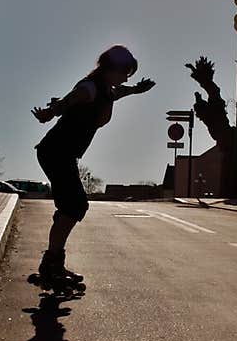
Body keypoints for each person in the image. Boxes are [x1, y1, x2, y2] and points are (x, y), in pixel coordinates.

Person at [31, 45, 155, 285]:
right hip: (55, 151)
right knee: (75, 206)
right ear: (111, 69)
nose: (125, 78)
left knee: (70, 207)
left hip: (63, 153)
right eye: (124, 73)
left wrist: (138, 90)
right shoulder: (89, 88)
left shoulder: (108, 91)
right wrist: (49, 112)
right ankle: (51, 265)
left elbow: (124, 91)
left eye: (129, 75)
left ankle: (53, 263)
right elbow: (67, 101)